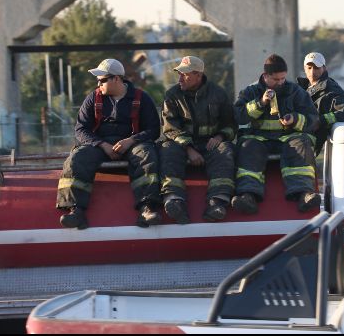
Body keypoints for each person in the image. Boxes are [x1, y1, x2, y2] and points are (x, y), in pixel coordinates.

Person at [56, 58, 162, 229]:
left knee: (146, 155)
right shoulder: (93, 98)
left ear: (117, 79)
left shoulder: (142, 98)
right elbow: (81, 129)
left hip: (132, 144)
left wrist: (131, 141)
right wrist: (101, 144)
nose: (99, 84)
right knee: (76, 158)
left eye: (102, 80)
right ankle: (76, 211)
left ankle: (147, 208)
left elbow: (153, 130)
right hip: (100, 144)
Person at [232, 54, 321, 214]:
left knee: (301, 143)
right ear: (265, 76)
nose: (280, 83)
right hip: (259, 139)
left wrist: (295, 119)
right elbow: (238, 115)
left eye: (283, 79)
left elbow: (314, 120)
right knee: (247, 147)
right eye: (276, 79)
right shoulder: (251, 91)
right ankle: (248, 196)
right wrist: (260, 103)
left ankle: (304, 194)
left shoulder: (296, 91)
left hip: (288, 138)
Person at [158, 56, 237, 223]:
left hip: (210, 144)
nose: (180, 78)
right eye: (179, 74)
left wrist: (220, 136)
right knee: (167, 149)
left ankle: (217, 203)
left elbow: (230, 124)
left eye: (185, 75)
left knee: (225, 150)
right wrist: (189, 149)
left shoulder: (218, 94)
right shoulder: (172, 95)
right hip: (182, 145)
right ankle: (174, 201)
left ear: (198, 75)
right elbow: (170, 128)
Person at [297, 52, 344, 154]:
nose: (312, 71)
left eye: (317, 68)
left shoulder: (332, 89)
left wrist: (320, 120)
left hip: (310, 140)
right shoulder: (300, 88)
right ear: (304, 69)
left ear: (324, 68)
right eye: (309, 68)